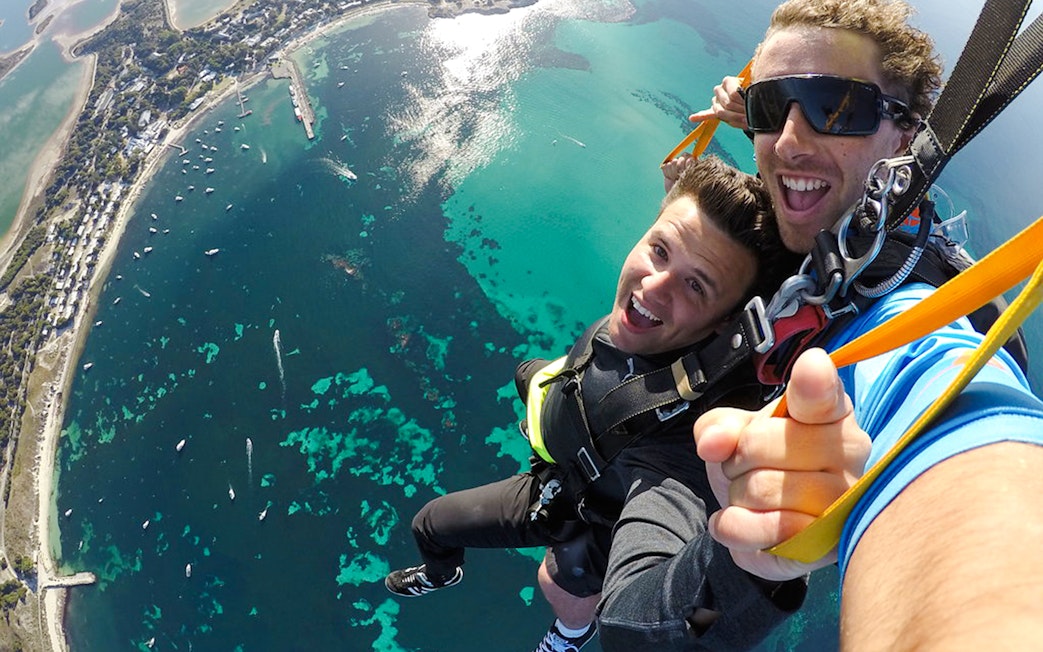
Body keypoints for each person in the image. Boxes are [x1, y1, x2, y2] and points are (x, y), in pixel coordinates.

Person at [597, 0, 1043, 649]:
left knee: (589, 594)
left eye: (838, 109)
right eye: (772, 109)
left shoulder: (906, 318)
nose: (789, 142)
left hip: (706, 452)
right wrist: (739, 115)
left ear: (904, 136)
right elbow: (788, 158)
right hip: (706, 396)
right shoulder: (836, 223)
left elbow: (952, 421)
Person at [384, 155, 805, 651]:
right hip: (571, 417)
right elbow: (691, 236)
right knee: (433, 521)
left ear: (725, 325)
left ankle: (569, 635)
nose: (653, 286)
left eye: (696, 285)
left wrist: (750, 575)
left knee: (549, 575)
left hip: (576, 505)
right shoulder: (661, 313)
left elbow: (641, 618)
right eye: (660, 249)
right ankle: (445, 572)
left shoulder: (684, 446)